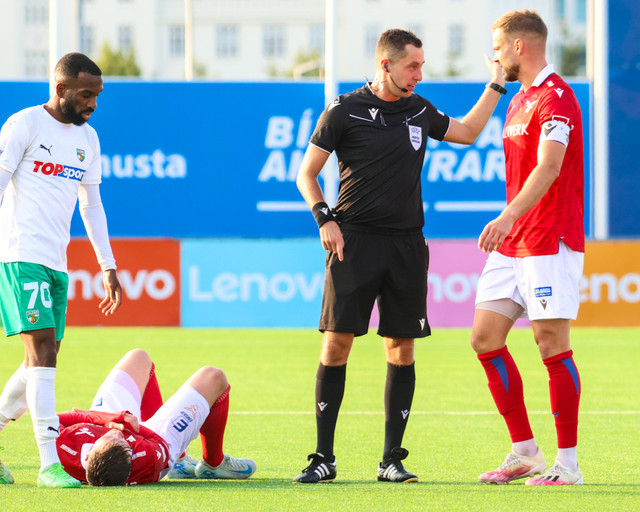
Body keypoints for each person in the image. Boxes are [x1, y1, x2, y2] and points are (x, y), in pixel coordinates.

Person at [294, 28, 507, 483]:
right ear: (385, 64)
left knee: (402, 347)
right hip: (354, 242)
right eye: (412, 66)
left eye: (421, 66)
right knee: (336, 344)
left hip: (407, 245)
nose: (419, 75)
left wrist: (495, 84)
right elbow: (306, 174)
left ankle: (391, 459)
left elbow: (468, 133)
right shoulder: (343, 110)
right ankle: (323, 458)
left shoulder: (419, 109)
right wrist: (324, 218)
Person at [470, 10, 585, 486]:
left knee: (551, 345)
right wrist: (497, 82)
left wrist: (506, 216)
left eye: (499, 47)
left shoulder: (556, 97)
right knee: (484, 339)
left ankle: (568, 465)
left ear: (520, 46)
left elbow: (549, 168)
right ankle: (525, 453)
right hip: (514, 244)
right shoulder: (519, 99)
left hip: (548, 239)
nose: (494, 56)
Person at [0, 52, 122, 488]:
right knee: (43, 355)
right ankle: (48, 464)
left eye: (97, 96)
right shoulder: (25, 124)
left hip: (56, 261)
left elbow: (92, 205)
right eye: (86, 94)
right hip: (21, 255)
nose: (93, 103)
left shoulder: (89, 139)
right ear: (61, 89)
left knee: (45, 354)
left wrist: (107, 264)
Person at [54, 348, 256, 486]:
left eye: (110, 438)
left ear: (87, 456)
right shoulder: (146, 459)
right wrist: (126, 424)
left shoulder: (64, 451)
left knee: (138, 357)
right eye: (124, 442)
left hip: (110, 424)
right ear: (130, 453)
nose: (118, 434)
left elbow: (54, 420)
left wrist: (108, 419)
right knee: (214, 377)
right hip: (157, 441)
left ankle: (113, 427)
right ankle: (212, 464)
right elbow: (156, 441)